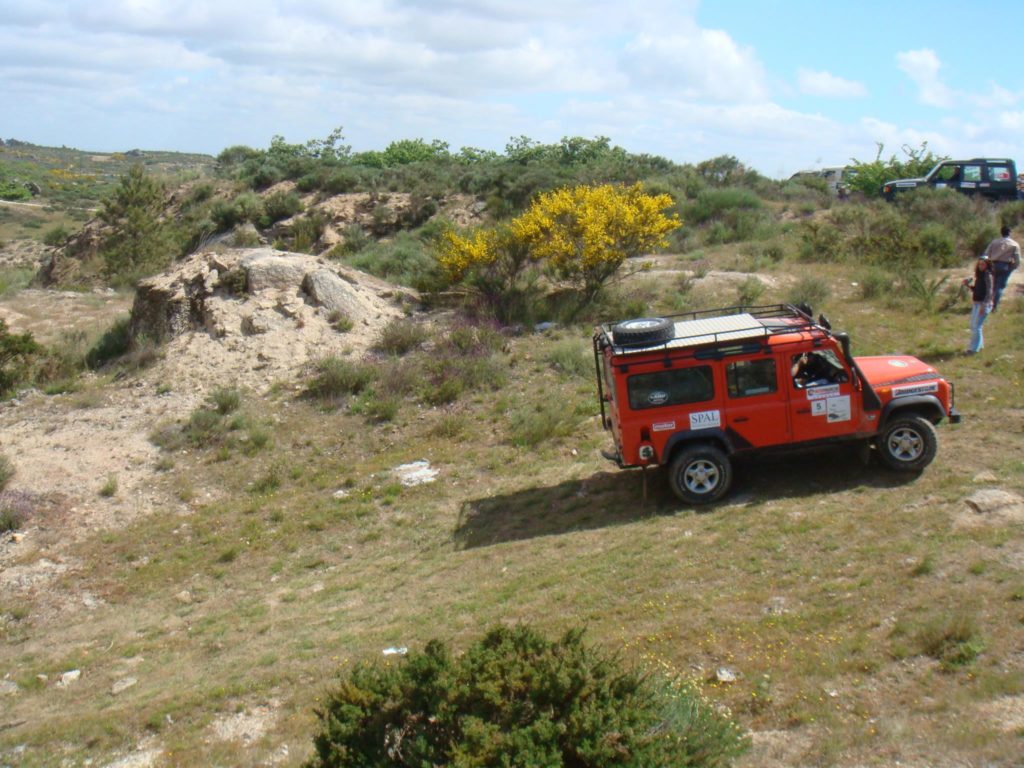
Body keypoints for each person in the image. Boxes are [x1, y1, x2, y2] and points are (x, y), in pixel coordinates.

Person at [983, 225, 1020, 310]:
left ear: (1001, 232)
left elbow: (986, 254)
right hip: (1005, 266)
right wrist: (1012, 268)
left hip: (992, 265)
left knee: (992, 285)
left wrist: (986, 265)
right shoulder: (1014, 244)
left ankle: (987, 303)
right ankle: (994, 306)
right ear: (1009, 233)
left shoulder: (994, 242)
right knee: (1000, 287)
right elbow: (1017, 259)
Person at [963, 256, 995, 355]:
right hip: (977, 302)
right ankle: (979, 345)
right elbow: (977, 290)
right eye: (979, 264)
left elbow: (989, 292)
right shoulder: (979, 275)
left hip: (983, 304)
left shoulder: (987, 275)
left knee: (977, 326)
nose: (981, 266)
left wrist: (984, 305)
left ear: (987, 265)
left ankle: (973, 349)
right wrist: (968, 285)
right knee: (974, 325)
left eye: (983, 264)